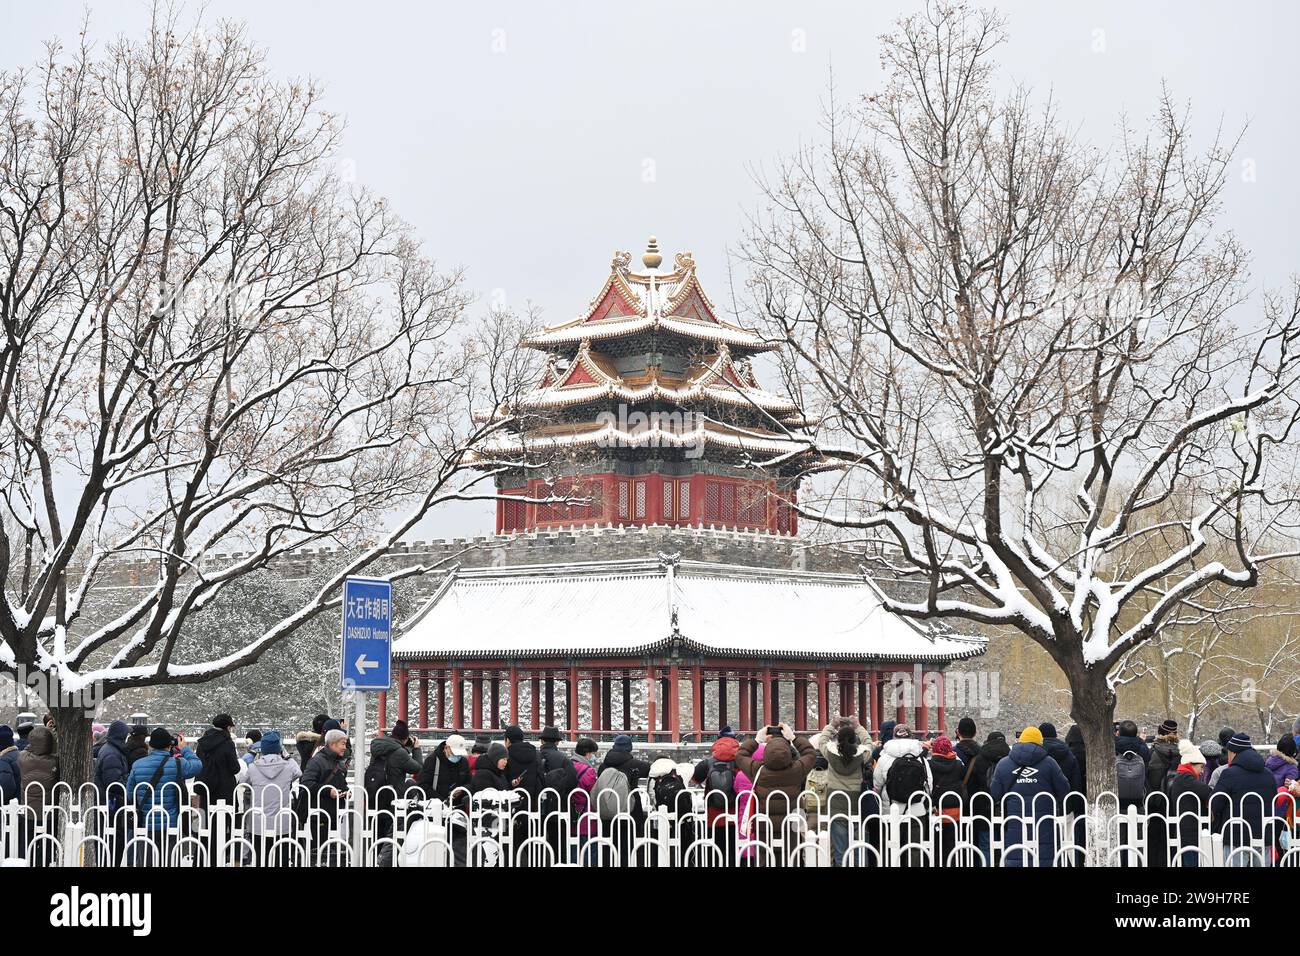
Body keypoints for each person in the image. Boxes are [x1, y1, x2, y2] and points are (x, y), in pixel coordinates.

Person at [735, 723, 816, 865]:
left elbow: (741, 755)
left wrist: (757, 740)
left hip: (765, 826)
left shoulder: (758, 771)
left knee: (765, 860)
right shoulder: (797, 770)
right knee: (791, 860)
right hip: (791, 827)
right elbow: (810, 753)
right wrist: (793, 738)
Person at [989, 725, 1069, 867]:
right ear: (1040, 743)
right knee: (1044, 858)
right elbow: (1064, 789)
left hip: (1015, 822)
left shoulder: (1003, 764)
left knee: (1017, 856)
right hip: (1044, 824)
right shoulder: (1050, 763)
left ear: (1020, 741)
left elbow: (995, 793)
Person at [126, 727, 203, 864]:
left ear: (150, 745)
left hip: (146, 824)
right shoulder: (178, 764)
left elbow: (130, 793)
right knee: (169, 861)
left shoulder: (137, 765)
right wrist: (184, 748)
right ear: (170, 745)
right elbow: (197, 765)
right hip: (171, 824)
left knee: (147, 862)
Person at [814, 716, 871, 866]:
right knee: (859, 847)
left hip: (835, 803)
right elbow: (869, 744)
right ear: (854, 739)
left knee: (840, 850)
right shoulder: (861, 755)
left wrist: (832, 725)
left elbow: (822, 741)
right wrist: (858, 726)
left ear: (838, 739)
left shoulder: (830, 753)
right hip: (855, 803)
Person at [1212, 731, 1277, 866]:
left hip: (1236, 837)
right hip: (1263, 837)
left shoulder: (1228, 774)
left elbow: (1215, 803)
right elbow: (1274, 801)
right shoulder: (1269, 774)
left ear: (1234, 753)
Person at [243, 730, 301, 865]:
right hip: (282, 823)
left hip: (259, 823)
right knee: (282, 860)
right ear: (279, 748)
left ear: (262, 749)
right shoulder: (288, 767)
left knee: (261, 859)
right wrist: (286, 755)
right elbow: (299, 773)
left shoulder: (253, 767)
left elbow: (243, 783)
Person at [691, 731, 748, 864]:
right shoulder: (740, 762)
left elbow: (694, 779)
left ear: (718, 741)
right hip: (735, 817)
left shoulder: (707, 763)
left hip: (713, 817)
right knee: (734, 853)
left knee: (716, 853)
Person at [300, 728, 349, 863]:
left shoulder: (337, 761)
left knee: (331, 854)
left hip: (333, 814)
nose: (345, 747)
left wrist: (345, 791)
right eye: (343, 743)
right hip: (320, 815)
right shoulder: (317, 761)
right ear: (332, 744)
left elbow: (340, 782)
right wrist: (329, 791)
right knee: (320, 853)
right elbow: (307, 783)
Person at [1167, 741, 1213, 867]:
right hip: (1189, 829)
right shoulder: (1186, 778)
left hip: (1188, 827)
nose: (1202, 771)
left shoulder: (1182, 776)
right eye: (1201, 767)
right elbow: (1207, 791)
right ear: (1191, 764)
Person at [194, 713, 241, 809]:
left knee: (208, 820)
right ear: (227, 727)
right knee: (224, 821)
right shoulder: (228, 744)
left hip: (206, 788)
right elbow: (235, 768)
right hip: (225, 791)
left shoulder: (202, 743)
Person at [17, 724, 59, 820]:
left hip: (28, 811)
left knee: (28, 834)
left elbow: (27, 748)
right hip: (48, 812)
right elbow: (54, 749)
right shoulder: (55, 761)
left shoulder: (22, 758)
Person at [416, 733, 471, 802]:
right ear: (446, 748)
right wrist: (441, 801)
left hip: (458, 805)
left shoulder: (463, 762)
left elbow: (470, 783)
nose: (457, 756)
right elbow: (422, 784)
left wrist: (463, 789)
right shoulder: (432, 761)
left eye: (460, 754)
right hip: (436, 805)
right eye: (454, 753)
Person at [93, 720, 132, 812]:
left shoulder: (112, 749)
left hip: (108, 798)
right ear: (121, 736)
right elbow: (113, 783)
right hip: (110, 801)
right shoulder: (112, 754)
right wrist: (128, 787)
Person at [502, 725, 544, 802]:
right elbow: (540, 775)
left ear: (507, 740)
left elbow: (503, 778)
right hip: (532, 799)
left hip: (512, 799)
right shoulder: (535, 753)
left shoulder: (505, 756)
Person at [1146, 719, 1181, 795]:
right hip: (1173, 798)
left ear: (1160, 733)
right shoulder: (1182, 753)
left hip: (1153, 797)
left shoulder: (1153, 751)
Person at [0, 725, 21, 805]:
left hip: (8, 809)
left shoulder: (4, 760)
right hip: (20, 804)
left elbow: (5, 788)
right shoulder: (19, 754)